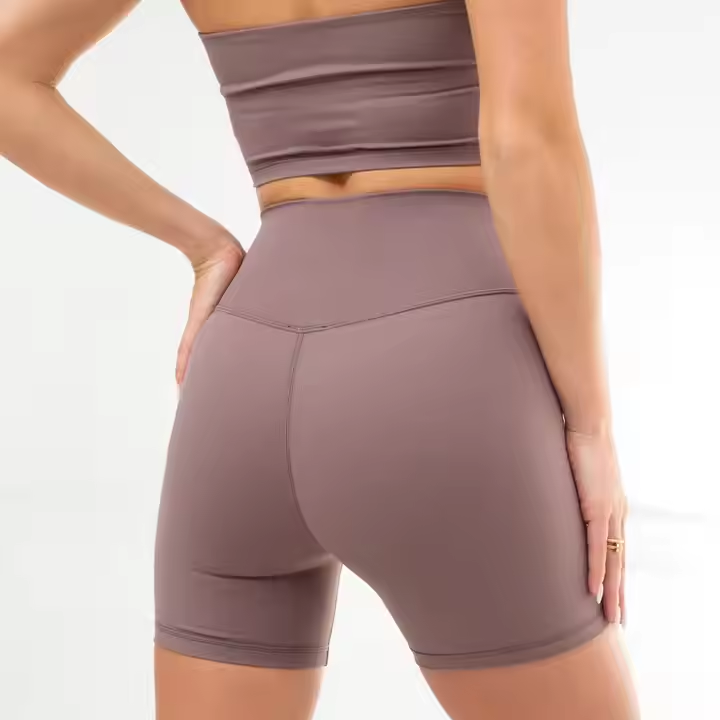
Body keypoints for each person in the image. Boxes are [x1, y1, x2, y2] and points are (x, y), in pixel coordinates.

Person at [0, 0, 641, 718]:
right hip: (445, 364)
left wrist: (204, 246)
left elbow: (6, 73)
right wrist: (591, 426)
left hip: (240, 373)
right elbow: (526, 142)